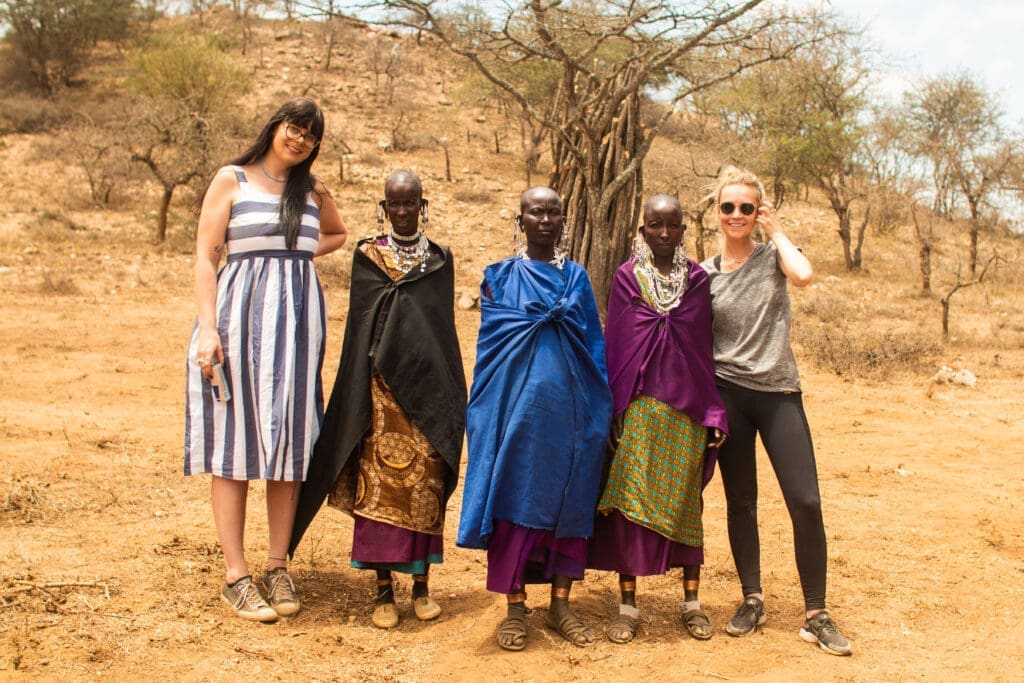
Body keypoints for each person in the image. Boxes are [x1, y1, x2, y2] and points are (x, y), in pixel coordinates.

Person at [185, 97, 347, 622]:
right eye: (294, 128)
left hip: (298, 328)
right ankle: (236, 575)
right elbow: (206, 255)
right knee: (234, 444)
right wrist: (209, 329)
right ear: (275, 126)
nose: (300, 140)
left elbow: (338, 233)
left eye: (311, 136)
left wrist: (293, 254)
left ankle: (278, 565)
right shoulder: (231, 179)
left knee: (290, 443)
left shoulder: (312, 190)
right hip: (238, 324)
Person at [289, 170, 466, 629]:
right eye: (394, 204)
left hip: (427, 395)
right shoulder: (368, 257)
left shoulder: (439, 260)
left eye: (410, 203)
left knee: (425, 486)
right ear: (383, 208)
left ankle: (422, 586)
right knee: (380, 487)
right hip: (379, 395)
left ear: (422, 206)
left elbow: (440, 332)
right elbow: (361, 328)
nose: (402, 212)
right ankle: (383, 590)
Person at [700, 166, 852, 656]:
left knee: (805, 500)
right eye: (728, 206)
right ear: (716, 211)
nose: (737, 214)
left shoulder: (773, 258)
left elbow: (804, 276)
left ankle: (816, 613)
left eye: (746, 207)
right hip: (729, 395)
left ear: (758, 210)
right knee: (741, 501)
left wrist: (777, 230)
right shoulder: (704, 274)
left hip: (779, 392)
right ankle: (752, 598)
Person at [458, 186, 613, 651]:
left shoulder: (576, 279)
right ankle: (515, 607)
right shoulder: (500, 277)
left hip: (570, 415)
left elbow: (593, 348)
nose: (545, 220)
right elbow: (491, 353)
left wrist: (599, 411)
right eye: (536, 212)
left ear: (564, 220)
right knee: (513, 500)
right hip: (514, 416)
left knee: (570, 500)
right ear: (520, 220)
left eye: (553, 212)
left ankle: (561, 605)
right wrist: (486, 415)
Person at [588, 194, 728, 644]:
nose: (664, 234)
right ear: (642, 230)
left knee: (688, 504)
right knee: (628, 504)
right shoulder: (627, 277)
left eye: (672, 226)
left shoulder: (698, 280)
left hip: (687, 412)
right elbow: (618, 347)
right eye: (655, 225)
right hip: (640, 408)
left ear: (683, 230)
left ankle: (692, 603)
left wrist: (713, 411)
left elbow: (702, 353)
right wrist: (614, 409)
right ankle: (628, 606)